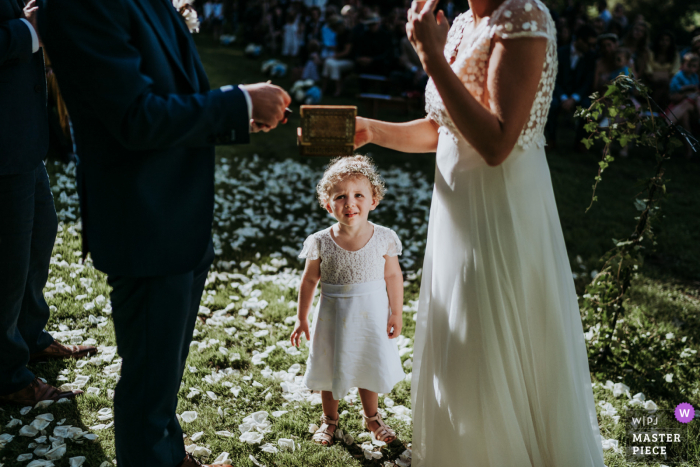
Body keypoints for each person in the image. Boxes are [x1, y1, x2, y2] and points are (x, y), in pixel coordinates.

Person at [37, 0, 291, 466]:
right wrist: (238, 102)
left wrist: (234, 113)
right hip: (144, 221)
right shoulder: (77, 7)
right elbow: (135, 116)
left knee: (163, 375)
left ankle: (167, 457)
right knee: (148, 385)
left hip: (180, 214)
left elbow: (170, 86)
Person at [354, 0, 606, 464]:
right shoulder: (464, 23)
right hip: (456, 209)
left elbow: (495, 143)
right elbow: (445, 129)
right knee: (465, 334)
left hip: (501, 205)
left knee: (492, 332)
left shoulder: (524, 18)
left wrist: (429, 56)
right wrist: (371, 129)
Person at [0, 0, 95, 407]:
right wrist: (31, 30)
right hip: (3, 143)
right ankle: (7, 376)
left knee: (41, 232)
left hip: (21, 135)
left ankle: (29, 336)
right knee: (7, 261)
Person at [290, 155, 405, 446]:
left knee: (367, 362)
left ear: (373, 200)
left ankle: (373, 417)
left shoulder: (384, 238)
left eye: (358, 195)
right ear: (328, 205)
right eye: (340, 197)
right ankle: (329, 420)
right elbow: (309, 280)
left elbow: (393, 277)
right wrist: (301, 317)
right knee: (330, 368)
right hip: (333, 316)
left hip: (371, 315)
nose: (349, 203)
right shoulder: (320, 240)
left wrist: (396, 313)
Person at [548, 24, 598, 149]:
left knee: (589, 106)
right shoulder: (560, 52)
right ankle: (550, 139)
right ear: (580, 40)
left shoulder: (590, 57)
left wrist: (574, 98)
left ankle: (581, 142)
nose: (592, 48)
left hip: (578, 95)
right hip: (560, 93)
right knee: (551, 104)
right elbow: (553, 78)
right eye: (589, 44)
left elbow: (587, 82)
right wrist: (564, 98)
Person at [668, 53, 700, 158]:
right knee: (684, 118)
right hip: (681, 105)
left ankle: (662, 127)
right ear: (683, 64)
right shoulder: (679, 76)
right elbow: (673, 93)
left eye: (694, 66)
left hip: (693, 107)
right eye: (688, 65)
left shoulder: (695, 77)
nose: (691, 68)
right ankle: (689, 151)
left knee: (690, 102)